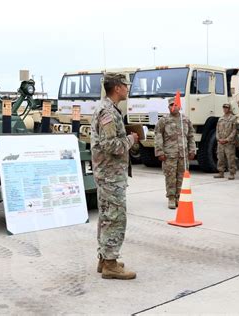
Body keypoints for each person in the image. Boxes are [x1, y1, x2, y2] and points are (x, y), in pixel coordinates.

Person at [91, 73, 139, 280]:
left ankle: (105, 259)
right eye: (125, 86)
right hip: (110, 175)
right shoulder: (108, 111)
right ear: (117, 87)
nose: (127, 89)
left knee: (106, 216)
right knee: (115, 218)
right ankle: (110, 263)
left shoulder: (108, 109)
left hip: (108, 173)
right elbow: (110, 144)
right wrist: (130, 139)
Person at [155, 97, 196, 209]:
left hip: (183, 154)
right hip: (169, 154)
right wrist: (159, 152)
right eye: (171, 105)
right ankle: (171, 198)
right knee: (170, 177)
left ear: (179, 106)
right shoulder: (164, 120)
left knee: (182, 176)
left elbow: (191, 136)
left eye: (176, 105)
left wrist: (192, 150)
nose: (174, 107)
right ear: (168, 107)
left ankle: (179, 197)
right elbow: (158, 136)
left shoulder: (185, 120)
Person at [213, 103, 238, 180]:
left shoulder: (233, 118)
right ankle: (221, 172)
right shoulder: (220, 119)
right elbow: (217, 130)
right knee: (220, 158)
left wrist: (227, 140)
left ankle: (232, 173)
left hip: (229, 143)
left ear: (229, 108)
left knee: (230, 158)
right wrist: (218, 139)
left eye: (226, 108)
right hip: (220, 142)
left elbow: (234, 131)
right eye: (223, 108)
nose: (225, 109)